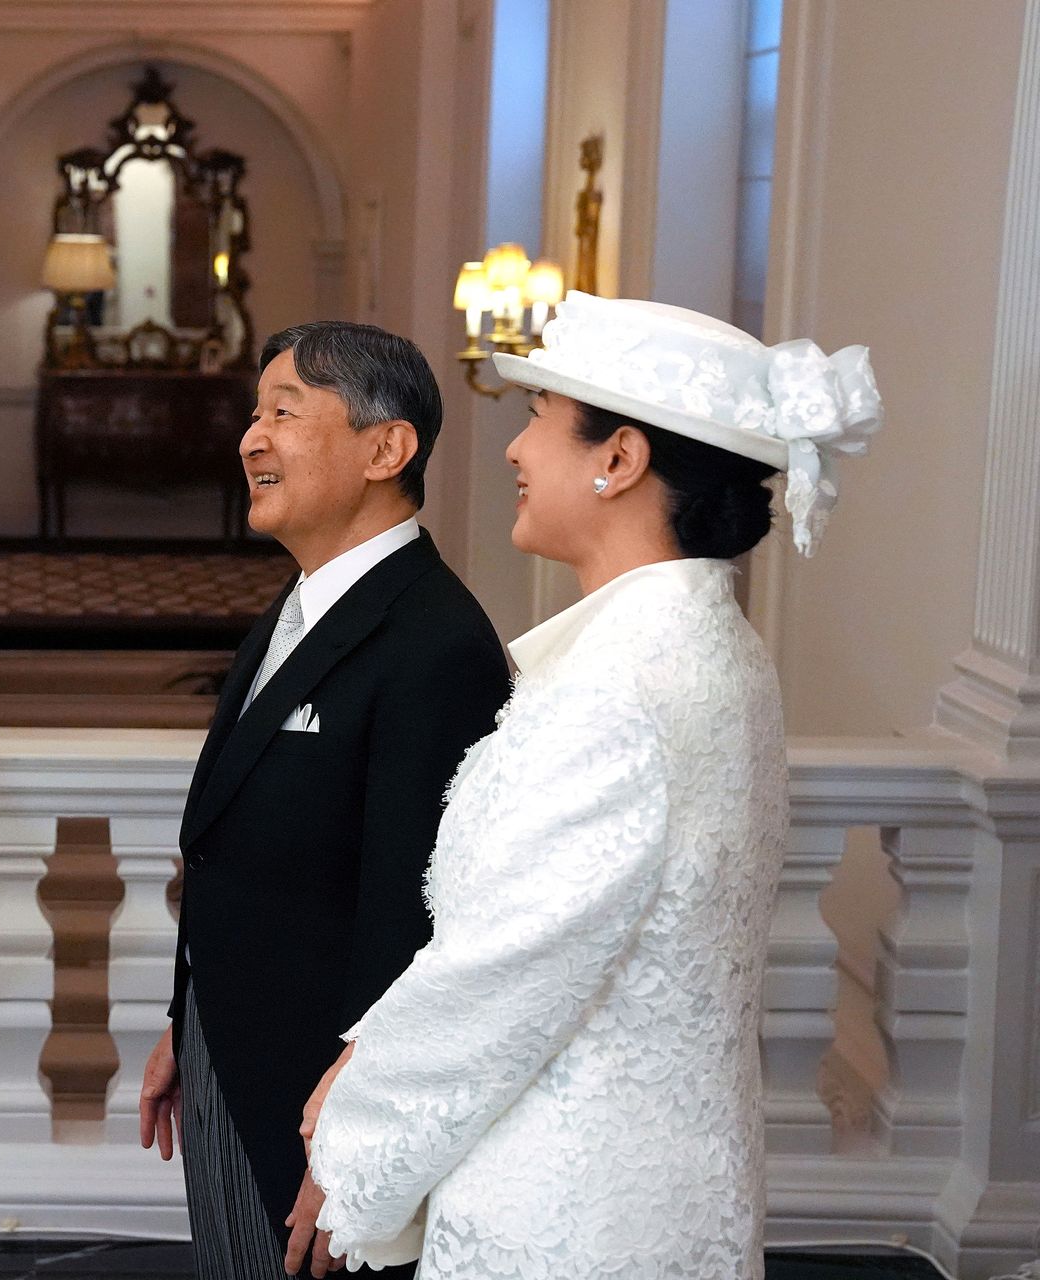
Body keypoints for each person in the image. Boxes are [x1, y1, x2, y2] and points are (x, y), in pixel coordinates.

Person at [302, 292, 882, 1277]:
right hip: (668, 1169)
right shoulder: (713, 648)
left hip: (571, 1204)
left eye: (537, 419)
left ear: (619, 458)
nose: (515, 451)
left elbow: (511, 964)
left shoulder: (619, 691)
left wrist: (355, 1121)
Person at [136, 322, 511, 1280]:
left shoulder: (436, 642)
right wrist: (190, 1019)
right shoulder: (303, 604)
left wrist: (359, 1127)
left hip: (320, 1095)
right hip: (232, 1049)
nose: (250, 440)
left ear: (387, 449)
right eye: (253, 416)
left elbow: (415, 913)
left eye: (285, 414)